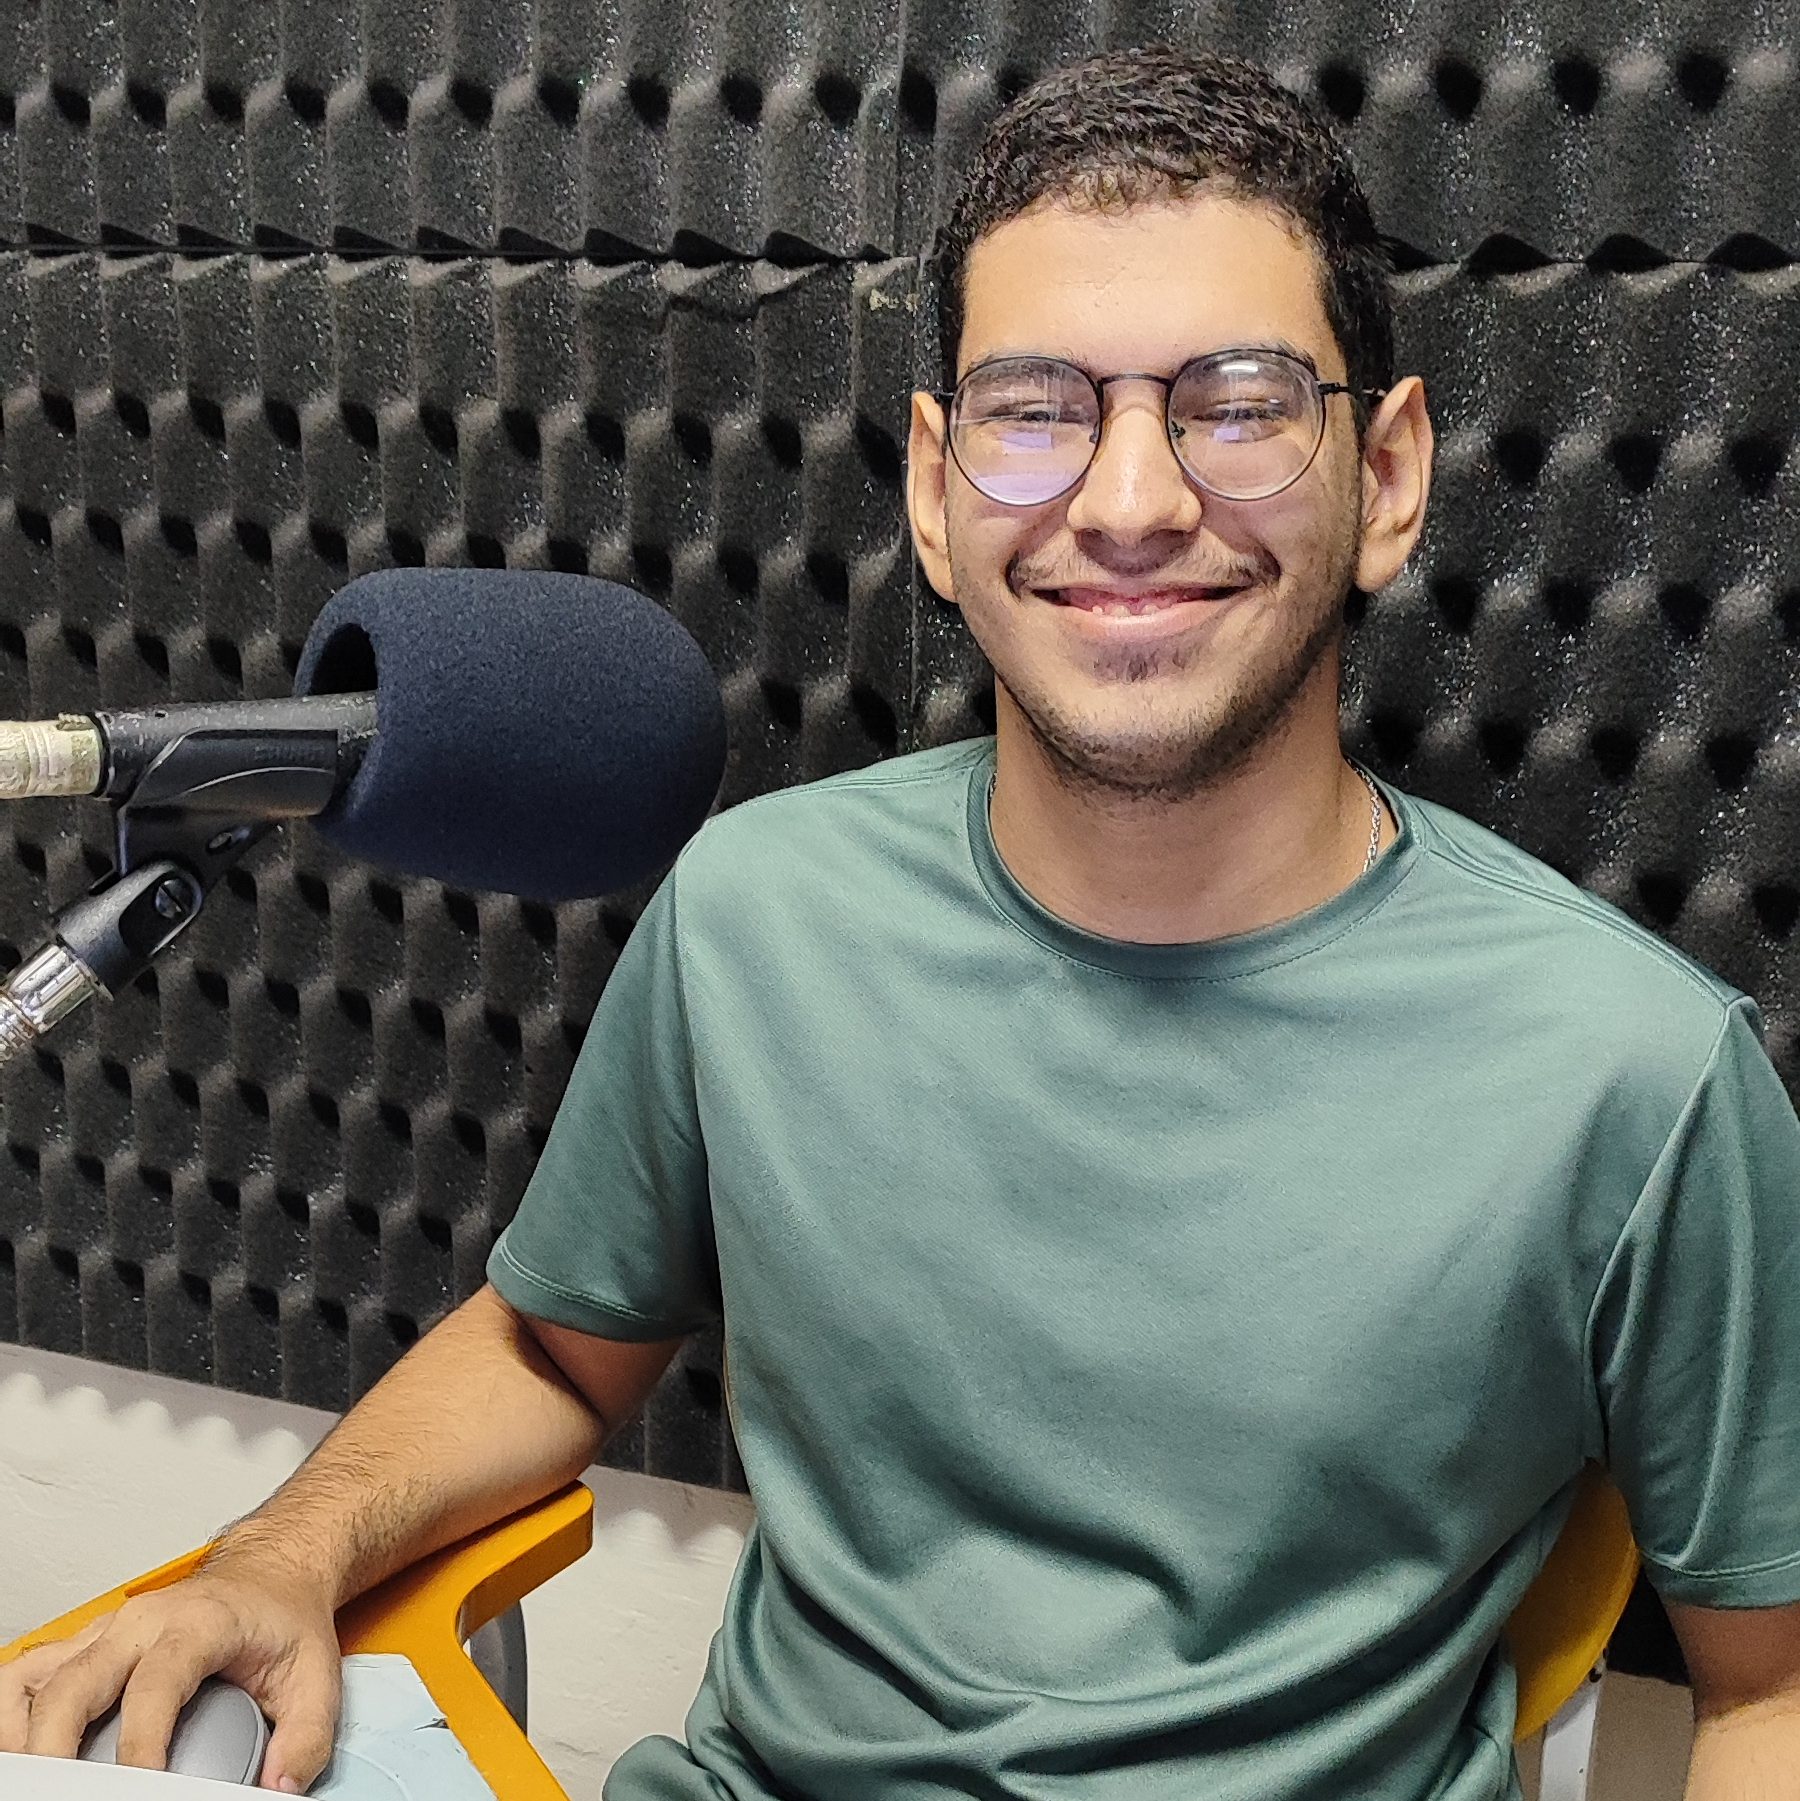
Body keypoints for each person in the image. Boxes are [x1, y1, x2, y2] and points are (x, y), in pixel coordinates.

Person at [6, 44, 1800, 1801]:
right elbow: (554, 1344)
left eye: (1239, 402)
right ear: (940, 490)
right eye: (1036, 409)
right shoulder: (755, 913)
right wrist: (274, 1552)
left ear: (1388, 473)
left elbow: (1772, 1687)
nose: (1129, 501)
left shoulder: (1637, 1082)